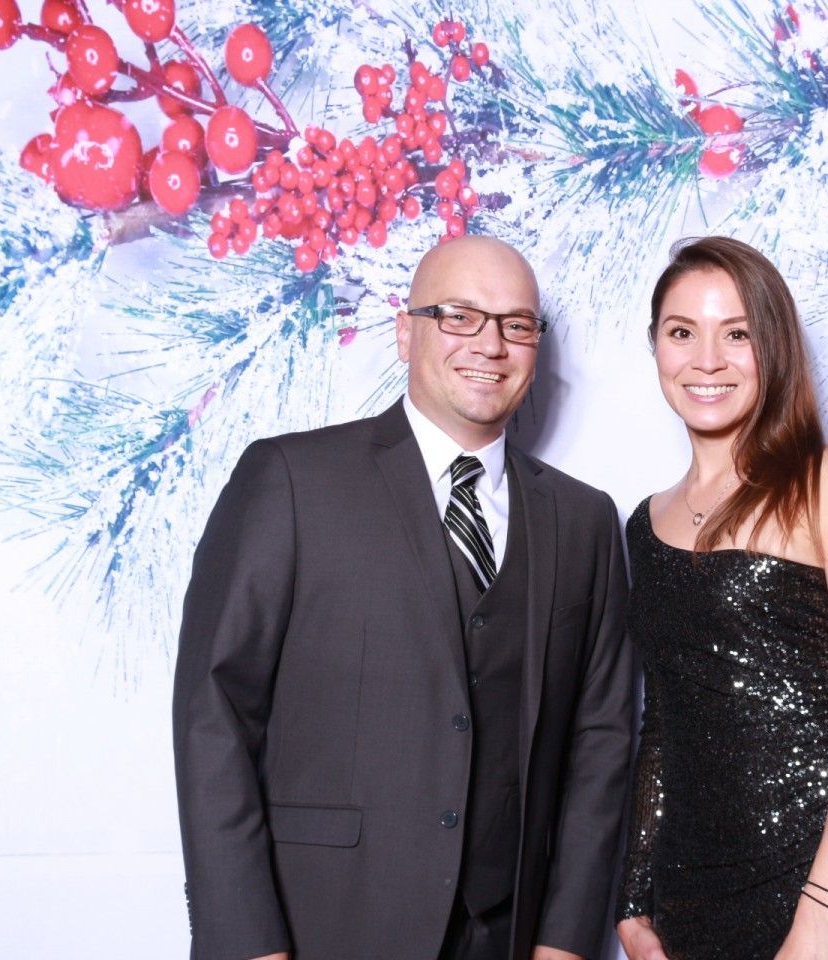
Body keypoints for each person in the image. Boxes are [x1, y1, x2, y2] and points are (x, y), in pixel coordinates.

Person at [172, 236, 635, 960]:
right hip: (324, 926)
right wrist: (247, 943)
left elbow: (600, 740)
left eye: (516, 324)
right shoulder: (291, 481)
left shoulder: (584, 521)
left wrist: (567, 940)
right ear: (403, 331)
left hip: (511, 938)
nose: (491, 344)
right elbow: (215, 714)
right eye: (458, 316)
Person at [615, 237, 828, 960]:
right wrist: (632, 902)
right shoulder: (644, 523)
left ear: (773, 347)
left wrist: (820, 916)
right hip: (689, 893)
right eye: (682, 332)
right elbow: (664, 724)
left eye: (738, 334)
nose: (706, 359)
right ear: (656, 345)